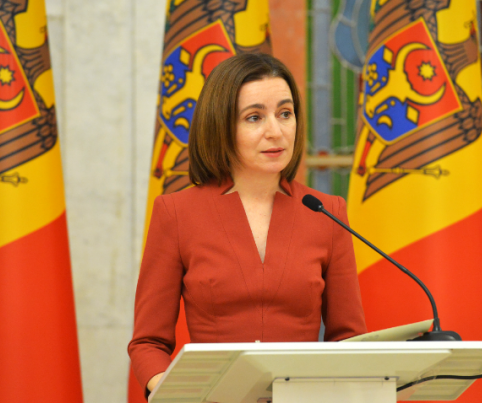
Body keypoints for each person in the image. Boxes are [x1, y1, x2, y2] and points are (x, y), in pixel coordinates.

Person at [128, 53, 366, 395]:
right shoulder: (176, 213)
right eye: (254, 117)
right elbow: (148, 343)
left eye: (285, 114)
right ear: (221, 126)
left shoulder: (326, 212)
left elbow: (349, 338)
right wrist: (175, 392)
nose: (276, 132)